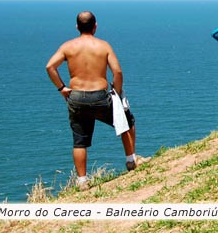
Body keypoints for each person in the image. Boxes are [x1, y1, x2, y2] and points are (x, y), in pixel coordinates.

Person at [46, 11, 148, 191]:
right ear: (95, 26)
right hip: (100, 96)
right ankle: (131, 160)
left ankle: (82, 181)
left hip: (76, 97)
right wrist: (116, 92)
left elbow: (50, 66)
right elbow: (117, 72)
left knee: (79, 141)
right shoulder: (103, 46)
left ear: (77, 27)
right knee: (126, 121)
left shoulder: (68, 46)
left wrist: (62, 88)